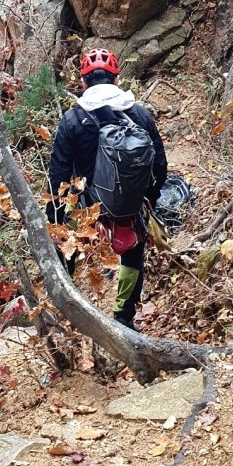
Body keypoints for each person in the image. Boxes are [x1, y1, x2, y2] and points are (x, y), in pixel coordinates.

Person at [47, 48, 167, 330]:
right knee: (133, 255)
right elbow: (160, 165)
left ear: (83, 81)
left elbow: (58, 176)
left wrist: (55, 221)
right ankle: (123, 317)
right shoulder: (139, 114)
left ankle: (69, 311)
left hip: (88, 209)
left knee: (68, 249)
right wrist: (149, 198)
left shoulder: (72, 120)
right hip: (131, 206)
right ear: (116, 79)